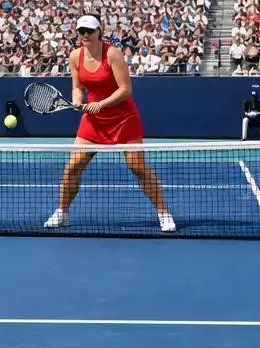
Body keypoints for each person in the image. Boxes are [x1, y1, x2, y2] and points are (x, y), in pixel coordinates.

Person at [45, 16, 174, 232]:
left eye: (89, 31)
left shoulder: (112, 54)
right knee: (73, 167)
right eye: (81, 31)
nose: (85, 35)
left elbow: (125, 90)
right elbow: (77, 87)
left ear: (99, 32)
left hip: (123, 118)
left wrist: (101, 104)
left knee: (138, 167)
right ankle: (62, 213)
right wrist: (78, 99)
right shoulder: (75, 56)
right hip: (93, 120)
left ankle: (164, 213)